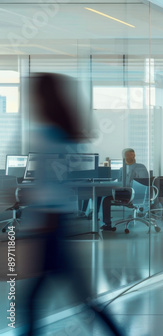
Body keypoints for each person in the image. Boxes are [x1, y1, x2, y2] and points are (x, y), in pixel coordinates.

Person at [23, 73, 122, 335]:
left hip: (49, 226)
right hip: (54, 224)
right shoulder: (61, 134)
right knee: (77, 299)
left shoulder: (47, 136)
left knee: (37, 300)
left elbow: (50, 187)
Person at [99, 148, 150, 231]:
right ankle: (107, 224)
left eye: (130, 154)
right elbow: (119, 182)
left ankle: (107, 223)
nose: (127, 157)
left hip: (135, 193)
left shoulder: (140, 167)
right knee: (105, 197)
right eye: (126, 155)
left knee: (106, 199)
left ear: (134, 155)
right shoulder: (122, 169)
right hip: (125, 192)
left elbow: (143, 184)